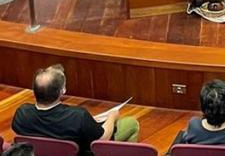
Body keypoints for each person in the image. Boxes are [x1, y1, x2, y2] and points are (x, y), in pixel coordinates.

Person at [11, 65, 140, 156]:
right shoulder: (78, 116)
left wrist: (90, 122)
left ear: (34, 90)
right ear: (62, 91)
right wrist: (112, 116)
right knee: (132, 124)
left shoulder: (22, 113)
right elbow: (103, 137)